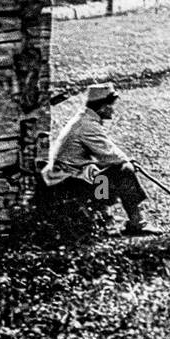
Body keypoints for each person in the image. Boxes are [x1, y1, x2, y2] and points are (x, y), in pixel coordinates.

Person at [42, 82, 158, 236]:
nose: (113, 110)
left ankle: (104, 217)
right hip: (66, 182)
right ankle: (136, 223)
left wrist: (124, 159)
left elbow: (107, 153)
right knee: (124, 170)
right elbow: (109, 156)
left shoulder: (85, 119)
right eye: (111, 105)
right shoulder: (87, 125)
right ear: (102, 106)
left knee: (107, 172)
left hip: (71, 176)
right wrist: (127, 161)